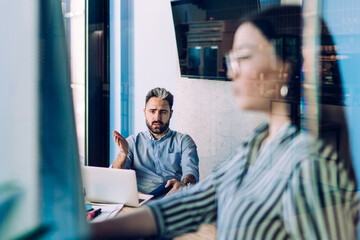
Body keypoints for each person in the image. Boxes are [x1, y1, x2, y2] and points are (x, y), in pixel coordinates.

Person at [92, 6, 359, 239]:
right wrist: (91, 232)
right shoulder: (254, 146)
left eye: (243, 57)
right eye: (231, 59)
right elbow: (190, 205)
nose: (231, 71)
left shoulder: (310, 163)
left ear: (283, 68)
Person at [111, 87, 199, 196]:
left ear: (170, 114)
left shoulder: (184, 141)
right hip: (139, 201)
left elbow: (191, 172)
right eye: (152, 111)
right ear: (145, 112)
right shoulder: (132, 142)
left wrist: (185, 185)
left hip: (171, 200)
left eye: (163, 112)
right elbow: (115, 178)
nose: (157, 117)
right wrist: (123, 153)